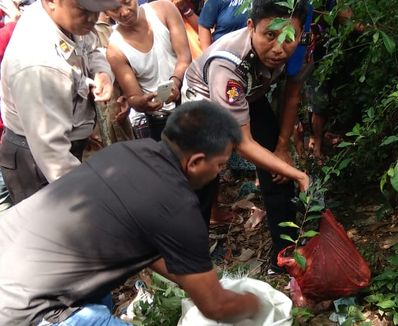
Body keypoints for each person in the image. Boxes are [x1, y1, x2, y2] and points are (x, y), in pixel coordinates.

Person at [0, 101, 260, 326]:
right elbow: (215, 307)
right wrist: (256, 304)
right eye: (220, 165)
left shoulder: (126, 152)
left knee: (101, 296)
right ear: (195, 162)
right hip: (24, 306)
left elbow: (141, 242)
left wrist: (196, 279)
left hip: (13, 250)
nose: (220, 173)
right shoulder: (178, 205)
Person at [183, 0, 310, 272]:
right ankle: (191, 261)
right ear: (251, 26)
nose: (279, 48)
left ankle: (285, 253)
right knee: (203, 178)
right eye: (270, 35)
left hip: (250, 94)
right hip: (204, 104)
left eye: (289, 37)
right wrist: (298, 173)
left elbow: (292, 94)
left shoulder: (301, 47)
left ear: (300, 34)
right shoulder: (227, 66)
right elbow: (243, 144)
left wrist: (283, 147)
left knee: (278, 171)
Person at [0, 0, 118, 204]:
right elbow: (53, 155)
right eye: (84, 11)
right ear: (51, 2)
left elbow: (91, 49)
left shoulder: (66, 18)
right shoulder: (37, 62)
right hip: (37, 161)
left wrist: (102, 73)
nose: (92, 19)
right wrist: (89, 201)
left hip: (63, 139)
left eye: (96, 11)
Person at [106, 0, 192, 141]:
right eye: (114, 9)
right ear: (105, 11)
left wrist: (175, 82)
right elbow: (133, 96)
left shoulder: (165, 9)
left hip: (190, 100)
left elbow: (184, 57)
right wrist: (141, 103)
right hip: (160, 120)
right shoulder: (115, 50)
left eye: (127, 2)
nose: (125, 12)